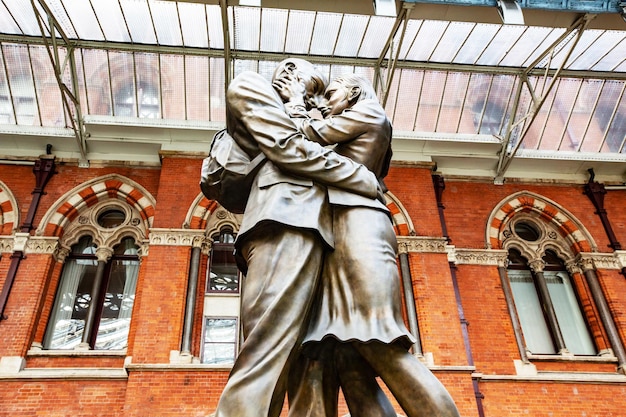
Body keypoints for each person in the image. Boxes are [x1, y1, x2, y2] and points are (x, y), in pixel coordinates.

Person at [212, 59, 383, 417]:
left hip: (324, 236)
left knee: (312, 362)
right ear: (290, 73)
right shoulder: (252, 87)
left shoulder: (308, 117)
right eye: (315, 90)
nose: (319, 102)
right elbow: (287, 149)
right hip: (286, 223)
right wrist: (360, 177)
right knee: (266, 347)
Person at [288, 75, 461, 417]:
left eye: (332, 93)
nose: (324, 102)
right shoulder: (353, 120)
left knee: (376, 341)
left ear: (352, 92)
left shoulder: (368, 112)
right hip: (339, 232)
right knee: (349, 362)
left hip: (360, 227)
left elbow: (309, 136)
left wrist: (295, 101)